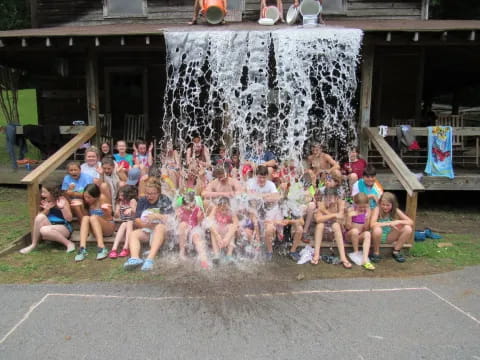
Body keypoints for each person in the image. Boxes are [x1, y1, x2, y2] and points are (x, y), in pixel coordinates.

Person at [123, 179, 174, 271]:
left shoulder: (165, 199)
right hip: (148, 229)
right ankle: (135, 258)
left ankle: (150, 259)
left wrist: (157, 216)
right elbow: (137, 219)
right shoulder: (142, 201)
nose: (150, 196)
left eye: (153, 194)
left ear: (159, 193)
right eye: (148, 193)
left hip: (163, 232)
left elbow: (171, 219)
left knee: (159, 227)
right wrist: (147, 225)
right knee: (133, 234)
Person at [20, 182, 75, 254]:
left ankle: (69, 244)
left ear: (52, 192)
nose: (42, 194)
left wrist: (62, 208)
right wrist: (47, 209)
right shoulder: (45, 201)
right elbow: (38, 218)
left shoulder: (62, 200)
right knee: (39, 217)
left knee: (44, 230)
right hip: (50, 225)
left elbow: (69, 219)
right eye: (42, 192)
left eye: (44, 192)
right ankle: (34, 244)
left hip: (64, 227)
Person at [310, 174, 352, 269]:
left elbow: (340, 216)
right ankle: (316, 254)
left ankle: (343, 257)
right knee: (320, 225)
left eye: (330, 180)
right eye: (326, 180)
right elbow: (318, 219)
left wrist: (333, 214)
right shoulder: (321, 192)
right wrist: (333, 214)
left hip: (336, 226)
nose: (327, 182)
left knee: (336, 226)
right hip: (323, 225)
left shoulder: (340, 195)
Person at [246, 165, 282, 261]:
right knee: (253, 209)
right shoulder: (250, 182)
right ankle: (256, 246)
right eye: (260, 177)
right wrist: (266, 196)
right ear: (256, 175)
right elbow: (248, 195)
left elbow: (277, 196)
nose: (261, 180)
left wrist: (260, 196)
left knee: (269, 229)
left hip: (267, 210)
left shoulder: (270, 184)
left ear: (267, 176)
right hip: (254, 211)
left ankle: (269, 250)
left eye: (264, 177)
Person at [75, 183, 115, 262]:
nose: (86, 199)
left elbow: (109, 217)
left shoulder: (102, 198)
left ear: (96, 196)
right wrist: (78, 209)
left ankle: (101, 247)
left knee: (93, 218)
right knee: (86, 218)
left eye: (89, 197)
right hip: (95, 229)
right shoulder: (86, 202)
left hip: (108, 227)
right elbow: (84, 220)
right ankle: (82, 248)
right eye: (85, 196)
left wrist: (106, 211)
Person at [370, 192, 413, 263]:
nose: (385, 207)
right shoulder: (377, 209)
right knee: (377, 229)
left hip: (389, 236)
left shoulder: (395, 210)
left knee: (408, 228)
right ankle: (376, 253)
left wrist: (398, 222)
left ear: (393, 205)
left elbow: (411, 222)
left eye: (388, 205)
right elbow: (372, 224)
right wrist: (388, 223)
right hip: (377, 237)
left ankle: (396, 251)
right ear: (380, 203)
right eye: (383, 204)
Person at [176, 191, 209, 269]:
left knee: (196, 237)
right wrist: (178, 217)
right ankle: (182, 252)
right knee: (182, 224)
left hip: (194, 229)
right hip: (183, 232)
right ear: (183, 205)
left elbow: (201, 225)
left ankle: (203, 260)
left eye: (193, 205)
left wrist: (199, 218)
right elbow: (176, 224)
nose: (191, 208)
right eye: (189, 206)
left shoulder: (197, 209)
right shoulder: (180, 210)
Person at [345, 193, 375, 270]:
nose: (362, 209)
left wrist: (367, 219)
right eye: (360, 207)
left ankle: (365, 258)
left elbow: (366, 229)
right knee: (355, 231)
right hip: (349, 236)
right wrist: (349, 216)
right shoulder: (351, 210)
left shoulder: (367, 212)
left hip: (359, 235)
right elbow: (347, 227)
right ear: (355, 204)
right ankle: (356, 252)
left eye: (364, 207)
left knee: (368, 234)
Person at [108, 185, 138, 259]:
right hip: (125, 223)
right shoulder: (120, 202)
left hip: (134, 223)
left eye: (122, 195)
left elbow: (135, 211)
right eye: (119, 195)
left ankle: (126, 247)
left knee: (129, 222)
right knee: (124, 224)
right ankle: (114, 249)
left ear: (128, 195)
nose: (120, 197)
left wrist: (130, 209)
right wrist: (113, 212)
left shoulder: (132, 201)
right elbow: (116, 216)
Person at [207, 196, 238, 264]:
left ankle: (229, 255)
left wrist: (227, 237)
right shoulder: (215, 209)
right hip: (218, 232)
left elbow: (236, 224)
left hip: (226, 233)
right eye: (222, 210)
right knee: (213, 226)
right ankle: (216, 255)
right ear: (218, 207)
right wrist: (217, 235)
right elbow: (208, 222)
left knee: (232, 227)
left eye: (226, 210)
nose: (224, 212)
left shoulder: (231, 211)